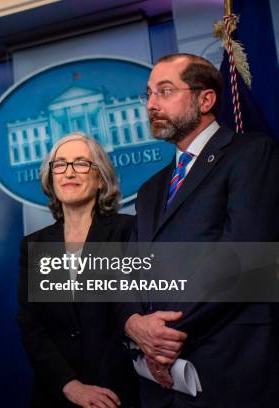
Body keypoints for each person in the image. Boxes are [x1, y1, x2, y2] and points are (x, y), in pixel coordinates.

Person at [119, 53, 279, 407]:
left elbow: (244, 257)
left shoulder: (250, 153)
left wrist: (164, 337)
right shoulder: (150, 189)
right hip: (159, 381)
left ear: (205, 99)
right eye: (148, 94)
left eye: (165, 91)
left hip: (228, 365)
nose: (152, 104)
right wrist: (135, 325)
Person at [17, 133, 139, 408]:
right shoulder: (34, 245)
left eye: (81, 163)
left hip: (118, 394)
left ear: (100, 179)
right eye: (60, 164)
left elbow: (138, 312)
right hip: (56, 395)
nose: (69, 172)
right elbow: (31, 326)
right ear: (51, 178)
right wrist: (70, 385)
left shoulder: (129, 232)